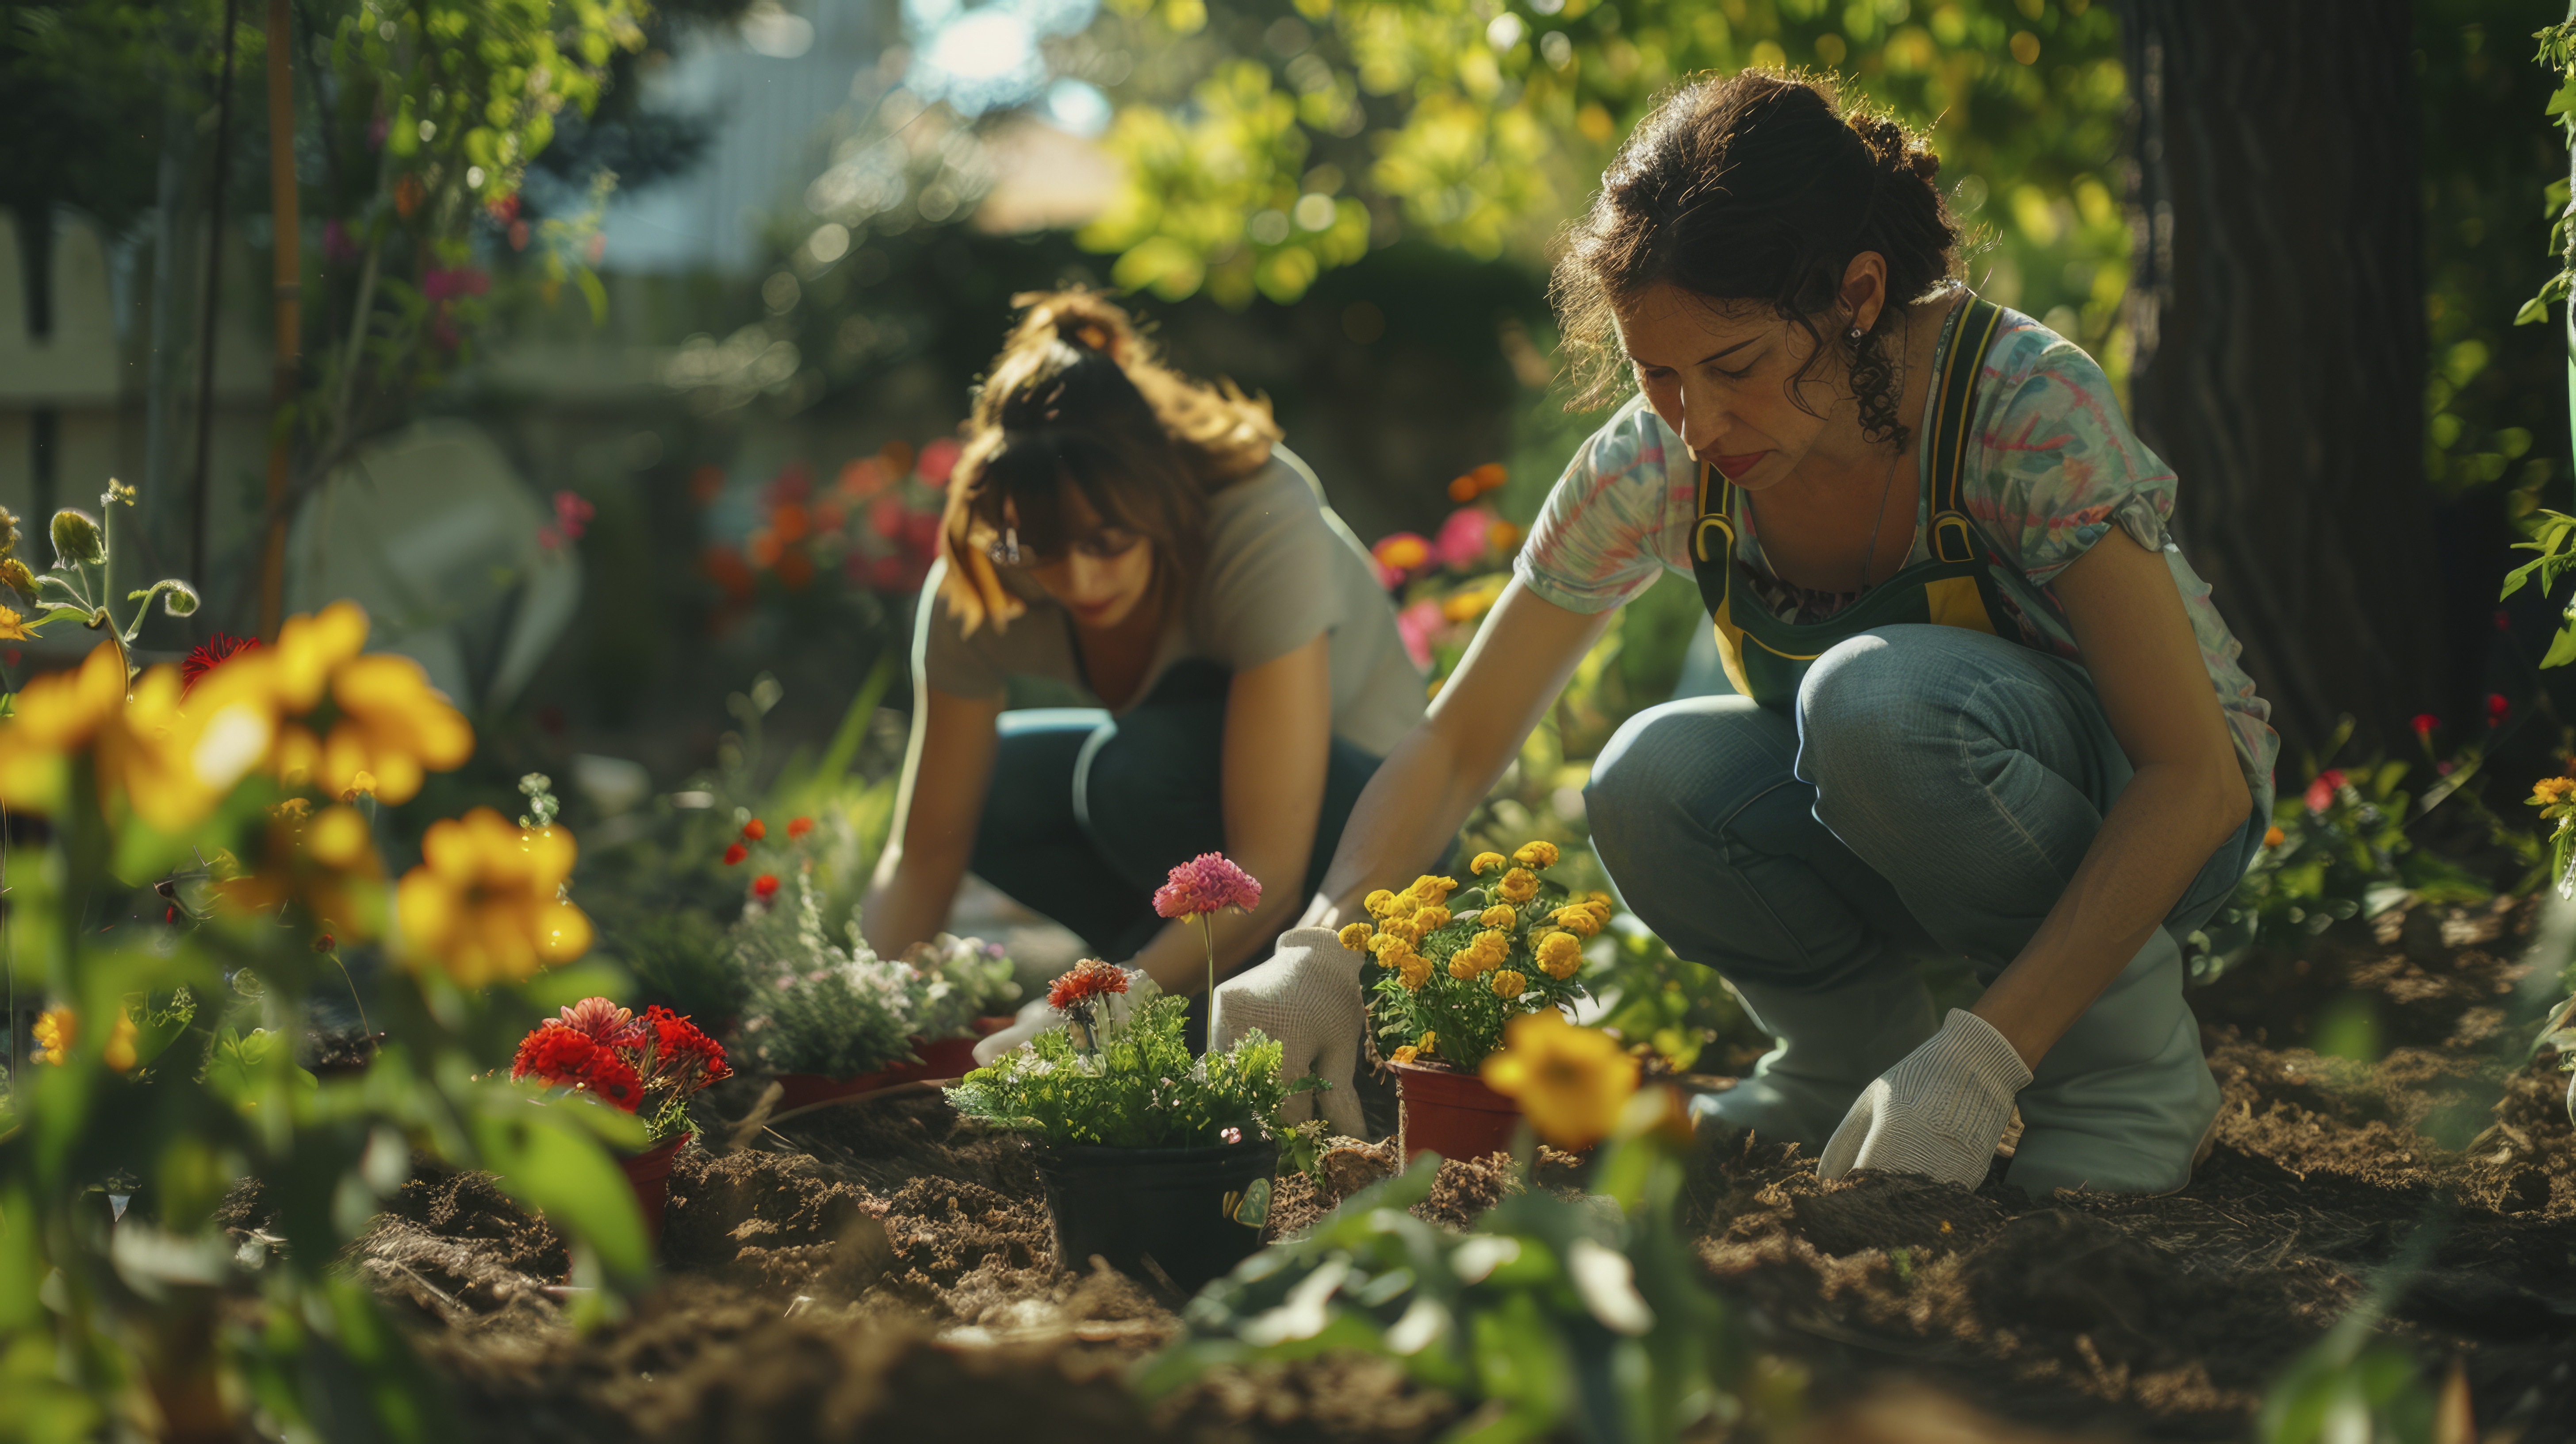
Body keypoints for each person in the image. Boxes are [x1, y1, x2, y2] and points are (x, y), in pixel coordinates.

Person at [1213, 70, 2277, 1197]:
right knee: (1647, 774)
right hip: (1906, 827)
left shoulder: (2014, 404)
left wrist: (1979, 1059)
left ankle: (2123, 1080)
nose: (1699, 422)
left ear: (1856, 295)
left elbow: (2193, 776)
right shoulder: (1657, 461)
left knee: (1873, 701)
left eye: (1735, 366)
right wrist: (1318, 948)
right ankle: (1837, 1065)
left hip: (2149, 827)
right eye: (1656, 374)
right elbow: (1458, 742)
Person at [862, 291, 1419, 1129]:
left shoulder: (1257, 517)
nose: (1080, 583)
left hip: (1371, 847)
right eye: (1045, 552)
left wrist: (1100, 1007)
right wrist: (868, 1019)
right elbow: (927, 844)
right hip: (1197, 818)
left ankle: (1189, 1006)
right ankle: (1183, 1004)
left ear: (1158, 502)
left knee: (1132, 774)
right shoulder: (992, 567)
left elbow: (1267, 866)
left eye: (1108, 545)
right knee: (1000, 782)